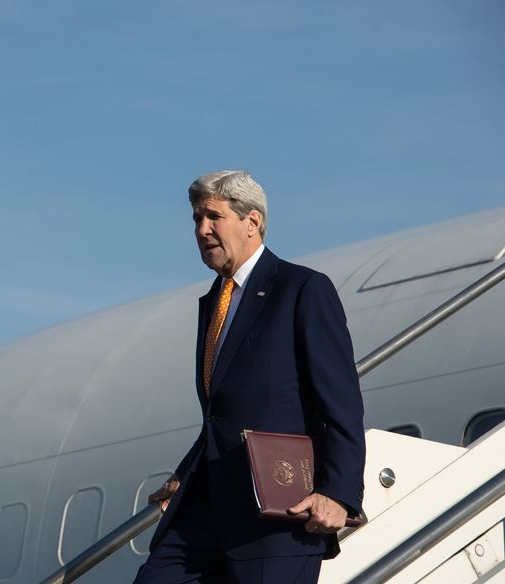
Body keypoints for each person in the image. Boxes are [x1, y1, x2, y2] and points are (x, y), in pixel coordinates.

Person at [133, 170, 365, 584]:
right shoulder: (213, 303)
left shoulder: (302, 288)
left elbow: (340, 400)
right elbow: (223, 412)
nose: (201, 229)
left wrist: (339, 494)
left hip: (277, 510)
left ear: (252, 222)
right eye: (196, 220)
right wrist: (185, 474)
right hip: (208, 503)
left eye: (212, 217)